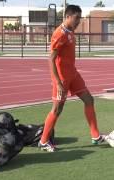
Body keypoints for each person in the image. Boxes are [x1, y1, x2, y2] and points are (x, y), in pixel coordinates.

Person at [38, 5, 106, 152]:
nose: (78, 21)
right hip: (62, 78)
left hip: (73, 74)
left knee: (89, 99)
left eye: (79, 18)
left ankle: (95, 136)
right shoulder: (59, 33)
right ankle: (43, 141)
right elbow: (51, 59)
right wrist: (57, 82)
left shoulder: (71, 32)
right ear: (68, 16)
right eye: (76, 18)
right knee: (57, 109)